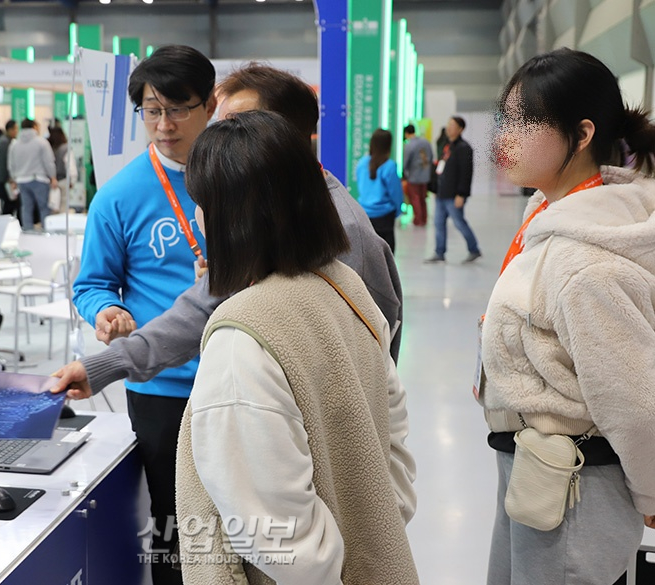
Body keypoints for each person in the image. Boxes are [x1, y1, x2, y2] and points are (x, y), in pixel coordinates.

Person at [52, 64, 413, 522]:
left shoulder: (343, 233)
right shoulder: (261, 214)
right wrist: (106, 363)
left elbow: (359, 378)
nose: (215, 138)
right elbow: (204, 303)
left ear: (282, 137)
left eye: (235, 125)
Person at [169, 111, 419, 583]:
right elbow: (394, 439)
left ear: (230, 218)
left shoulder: (243, 338)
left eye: (201, 202)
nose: (197, 214)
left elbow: (278, 538)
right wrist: (375, 525)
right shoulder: (344, 286)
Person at [482, 48, 655, 584]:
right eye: (503, 120)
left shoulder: (587, 264)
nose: (503, 139)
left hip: (574, 488)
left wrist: (650, 492)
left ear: (581, 135)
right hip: (535, 472)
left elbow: (635, 400)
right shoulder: (547, 214)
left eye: (523, 122)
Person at [69, 45, 215, 585]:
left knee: (248, 521)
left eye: (177, 108)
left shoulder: (239, 178)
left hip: (243, 380)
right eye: (151, 111)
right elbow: (92, 284)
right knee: (174, 526)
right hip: (163, 390)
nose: (164, 123)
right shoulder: (119, 196)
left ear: (211, 104)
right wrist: (108, 310)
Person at [425, 116, 481, 263]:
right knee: (438, 223)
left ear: (460, 129)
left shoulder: (464, 148)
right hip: (442, 193)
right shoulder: (447, 145)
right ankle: (439, 253)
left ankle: (474, 249)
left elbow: (466, 173)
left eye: (452, 125)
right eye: (448, 125)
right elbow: (440, 168)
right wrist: (436, 189)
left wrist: (461, 194)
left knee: (459, 223)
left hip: (453, 194)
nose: (449, 128)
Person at [355, 129, 404, 251]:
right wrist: (398, 210)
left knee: (369, 252)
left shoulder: (361, 163)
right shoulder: (390, 166)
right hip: (385, 216)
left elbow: (361, 187)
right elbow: (396, 193)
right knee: (386, 254)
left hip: (364, 214)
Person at [8, 119, 57, 229]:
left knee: (26, 208)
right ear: (34, 127)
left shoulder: (15, 144)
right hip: (39, 179)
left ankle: (27, 232)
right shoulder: (41, 142)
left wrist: (13, 178)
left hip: (21, 180)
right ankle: (46, 232)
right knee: (44, 208)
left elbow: (11, 164)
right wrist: (53, 177)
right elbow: (48, 161)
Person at [403, 124, 433, 226]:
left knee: (415, 198)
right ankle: (424, 219)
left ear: (406, 133)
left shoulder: (409, 145)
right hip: (425, 176)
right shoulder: (425, 142)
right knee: (423, 198)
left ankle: (418, 220)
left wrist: (405, 173)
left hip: (413, 176)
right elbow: (431, 157)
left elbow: (405, 162)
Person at [0, 120, 18, 217]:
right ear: (10, 130)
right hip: (3, 179)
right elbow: (4, 162)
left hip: (2, 177)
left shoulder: (4, 141)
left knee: (8, 203)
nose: (17, 132)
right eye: (15, 129)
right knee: (9, 203)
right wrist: (9, 178)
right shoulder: (5, 143)